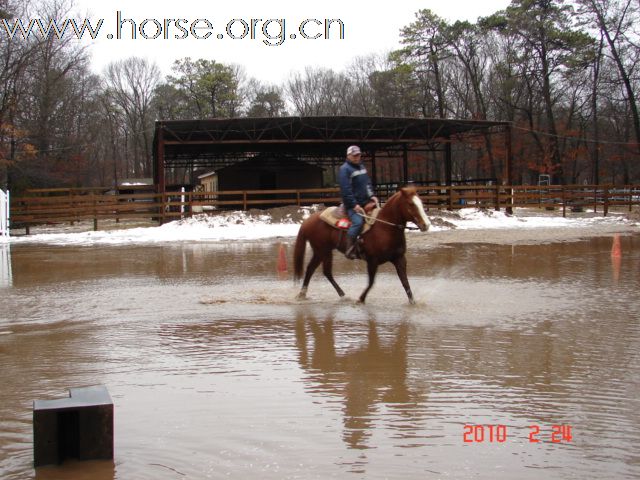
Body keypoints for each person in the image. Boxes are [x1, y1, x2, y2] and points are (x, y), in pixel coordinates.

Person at [338, 145, 378, 259]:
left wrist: (372, 196)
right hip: (352, 205)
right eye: (354, 155)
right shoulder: (344, 169)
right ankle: (349, 249)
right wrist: (353, 205)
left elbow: (367, 183)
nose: (357, 157)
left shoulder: (361, 167)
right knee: (358, 222)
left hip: (365, 202)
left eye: (358, 155)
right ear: (348, 156)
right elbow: (346, 190)